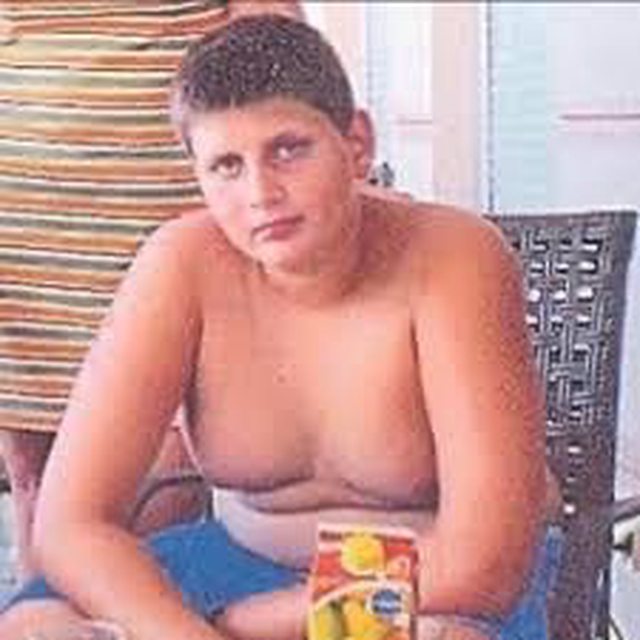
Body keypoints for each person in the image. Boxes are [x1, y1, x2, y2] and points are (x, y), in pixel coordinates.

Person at [0, 14, 559, 640]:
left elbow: (486, 565)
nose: (261, 193)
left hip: (424, 584)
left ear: (356, 143)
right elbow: (69, 525)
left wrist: (254, 624)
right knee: (32, 625)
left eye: (288, 150)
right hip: (233, 564)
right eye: (226, 166)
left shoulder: (454, 257)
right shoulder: (182, 262)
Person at [0, 0, 304, 580]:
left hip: (165, 212)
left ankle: (142, 611)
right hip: (23, 221)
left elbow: (273, 33)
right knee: (38, 477)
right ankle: (47, 608)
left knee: (164, 474)